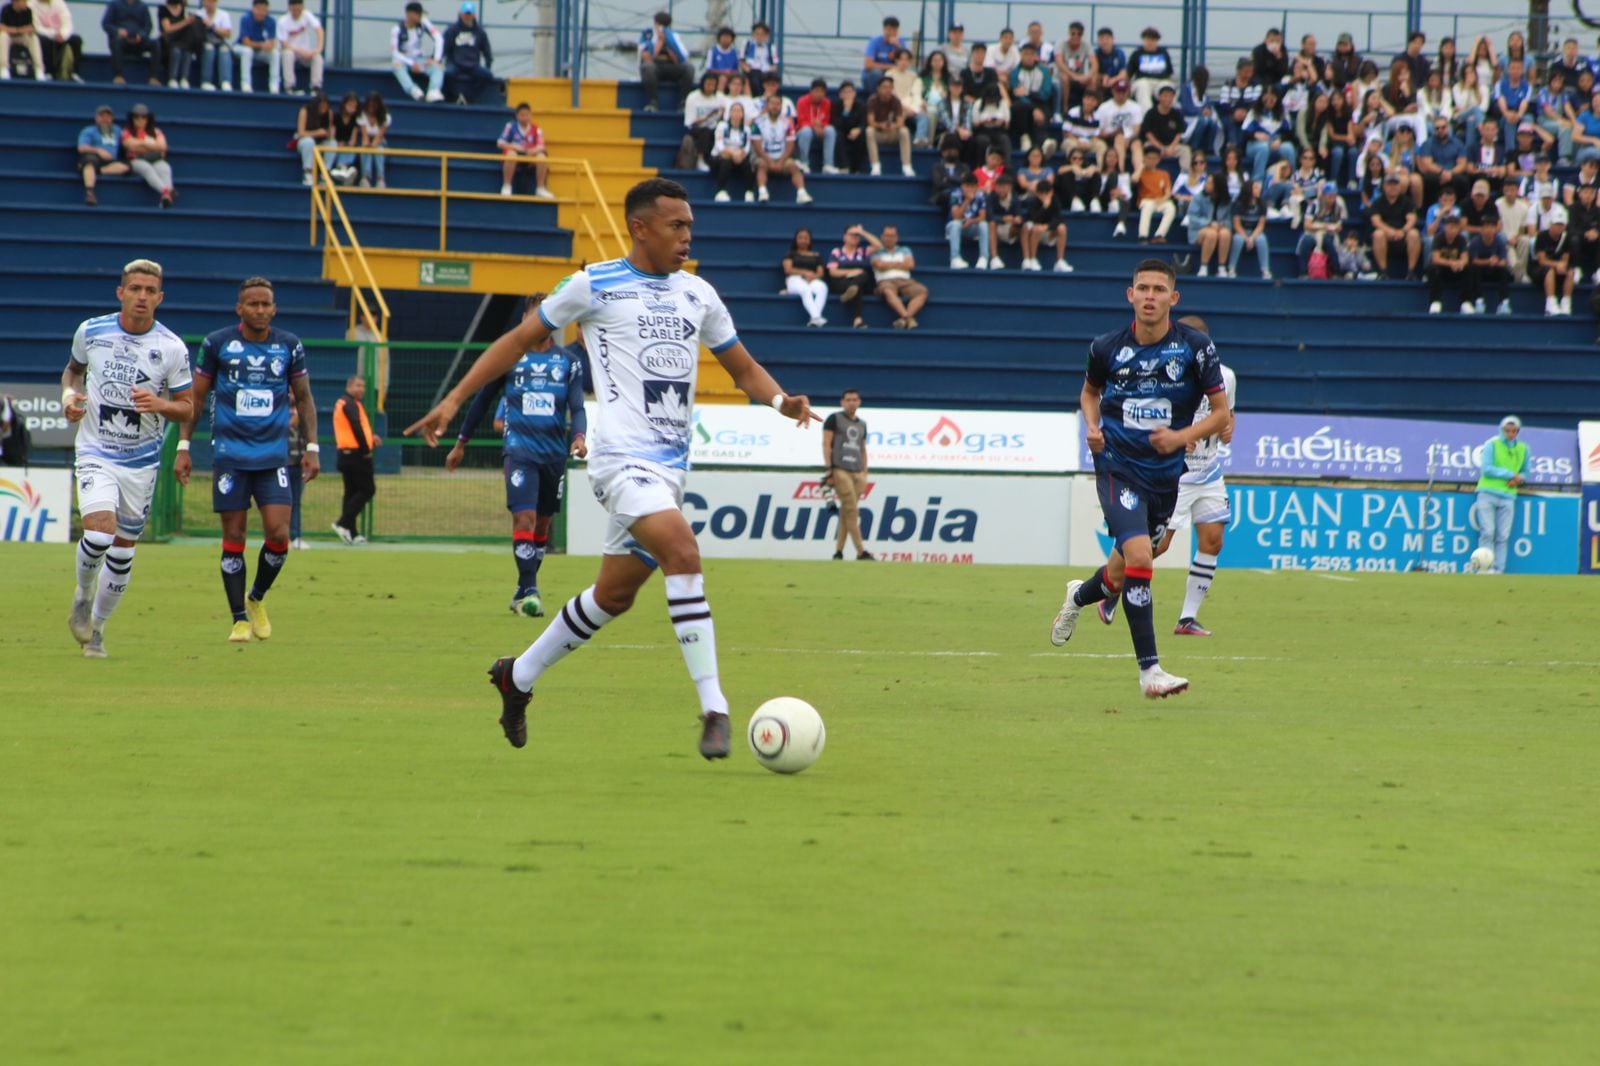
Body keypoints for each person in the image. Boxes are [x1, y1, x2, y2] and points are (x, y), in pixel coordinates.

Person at [403, 177, 822, 760]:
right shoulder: (593, 285)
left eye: (691, 227)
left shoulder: (698, 294)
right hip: (620, 461)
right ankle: (715, 708)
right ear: (640, 227)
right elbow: (519, 340)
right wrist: (452, 400)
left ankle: (517, 675)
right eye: (677, 226)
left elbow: (742, 368)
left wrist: (782, 401)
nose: (687, 237)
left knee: (613, 596)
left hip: (671, 469)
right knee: (684, 553)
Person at [1049, 260, 1228, 698]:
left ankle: (1077, 597)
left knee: (1118, 574)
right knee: (1141, 561)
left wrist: (1181, 436)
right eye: (1142, 288)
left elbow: (1223, 415)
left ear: (1173, 298)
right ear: (1130, 295)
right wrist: (1091, 428)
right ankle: (1151, 672)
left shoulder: (1195, 347)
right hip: (1117, 466)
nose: (1150, 295)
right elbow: (1090, 393)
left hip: (1166, 478)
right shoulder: (1106, 347)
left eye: (1158, 289)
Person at [173, 277, 319, 643]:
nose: (260, 309)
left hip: (273, 457)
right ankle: (238, 618)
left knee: (279, 533)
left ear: (274, 308)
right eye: (252, 304)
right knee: (234, 534)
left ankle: (256, 598)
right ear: (240, 308)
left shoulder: (289, 346)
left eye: (265, 304)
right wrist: (184, 446)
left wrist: (313, 448)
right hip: (230, 457)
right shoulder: (218, 343)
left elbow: (303, 397)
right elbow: (196, 397)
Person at [62, 258, 195, 659]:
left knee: (122, 552)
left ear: (160, 297)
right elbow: (72, 373)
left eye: (149, 291)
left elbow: (188, 407)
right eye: (134, 289)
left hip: (141, 462)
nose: (141, 297)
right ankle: (83, 595)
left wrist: (159, 404)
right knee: (100, 535)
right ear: (121, 292)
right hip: (96, 450)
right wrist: (70, 399)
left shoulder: (171, 347)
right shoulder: (92, 330)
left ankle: (98, 630)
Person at [445, 293, 586, 617]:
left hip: (554, 454)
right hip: (519, 451)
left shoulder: (569, 362)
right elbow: (481, 402)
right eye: (533, 317)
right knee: (524, 517)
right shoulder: (508, 358)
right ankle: (531, 591)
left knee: (543, 526)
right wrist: (461, 442)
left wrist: (578, 436)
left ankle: (522, 589)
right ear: (524, 321)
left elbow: (576, 406)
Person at [1099, 313, 1236, 635]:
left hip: (1210, 470)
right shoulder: (1167, 375)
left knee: (1213, 541)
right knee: (1155, 547)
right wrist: (1178, 438)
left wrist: (1229, 428)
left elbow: (1227, 413)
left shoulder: (1225, 377)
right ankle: (1111, 588)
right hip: (1175, 473)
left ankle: (1187, 618)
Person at [1472, 415, 1528, 574]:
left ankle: (1498, 569)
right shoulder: (1492, 445)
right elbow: (1487, 468)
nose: (1511, 434)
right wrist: (1510, 475)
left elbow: (1525, 472)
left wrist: (1518, 479)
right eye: (1508, 430)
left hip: (1509, 495)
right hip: (1488, 492)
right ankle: (1484, 567)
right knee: (1488, 531)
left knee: (1503, 535)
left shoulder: (1523, 448)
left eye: (1514, 431)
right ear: (1502, 430)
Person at [823, 389, 871, 560]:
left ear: (859, 402)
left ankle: (839, 552)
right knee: (851, 510)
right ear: (842, 402)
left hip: (858, 471)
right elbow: (826, 444)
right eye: (848, 399)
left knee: (846, 511)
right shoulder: (834, 419)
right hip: (840, 468)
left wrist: (865, 471)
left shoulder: (862, 424)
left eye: (855, 399)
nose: (851, 402)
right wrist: (829, 469)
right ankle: (861, 551)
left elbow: (863, 448)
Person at [331, 374, 378, 543]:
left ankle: (352, 532)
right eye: (358, 385)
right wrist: (366, 450)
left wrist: (371, 438)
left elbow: (358, 428)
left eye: (363, 386)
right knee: (368, 489)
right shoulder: (349, 404)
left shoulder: (350, 403)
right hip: (356, 455)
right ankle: (342, 523)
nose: (361, 389)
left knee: (351, 492)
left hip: (346, 454)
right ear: (349, 386)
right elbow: (356, 427)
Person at [753, 93, 812, 203]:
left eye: (778, 104)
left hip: (782, 157)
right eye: (772, 104)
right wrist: (769, 160)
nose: (775, 106)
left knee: (793, 166)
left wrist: (781, 161)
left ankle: (802, 193)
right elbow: (757, 145)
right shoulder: (758, 122)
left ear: (781, 106)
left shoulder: (787, 123)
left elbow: (790, 144)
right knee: (761, 164)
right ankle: (762, 192)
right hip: (765, 157)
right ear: (767, 105)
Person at [869, 224, 926, 329]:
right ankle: (908, 318)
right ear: (881, 237)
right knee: (888, 292)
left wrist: (888, 264)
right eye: (887, 236)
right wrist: (900, 264)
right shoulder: (875, 251)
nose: (889, 238)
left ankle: (904, 319)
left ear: (897, 237)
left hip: (905, 280)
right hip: (885, 281)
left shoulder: (905, 249)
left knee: (922, 291)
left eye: (892, 236)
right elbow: (879, 266)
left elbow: (910, 265)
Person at [122, 103, 176, 208]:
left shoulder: (156, 131)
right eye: (136, 117)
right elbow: (130, 146)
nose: (140, 120)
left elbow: (163, 146)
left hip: (154, 158)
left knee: (164, 168)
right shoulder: (127, 131)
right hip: (136, 160)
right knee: (146, 168)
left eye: (143, 117)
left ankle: (166, 196)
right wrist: (150, 145)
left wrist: (142, 144)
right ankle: (166, 192)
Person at [1369, 173, 1421, 277]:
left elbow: (1412, 219)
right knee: (1378, 234)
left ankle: (1411, 272)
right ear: (1384, 186)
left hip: (1403, 236)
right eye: (1390, 184)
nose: (1393, 187)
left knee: (1414, 234)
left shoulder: (1407, 201)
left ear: (1399, 186)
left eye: (1395, 184)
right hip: (1386, 236)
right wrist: (1389, 231)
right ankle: (1383, 272)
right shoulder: (1378, 202)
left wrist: (1403, 231)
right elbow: (1376, 221)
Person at [76, 103, 129, 206]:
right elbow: (81, 148)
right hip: (94, 157)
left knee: (126, 166)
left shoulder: (117, 130)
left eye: (108, 117)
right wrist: (99, 151)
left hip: (111, 161)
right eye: (102, 116)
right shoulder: (89, 131)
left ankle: (99, 171)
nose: (105, 119)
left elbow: (126, 142)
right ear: (96, 118)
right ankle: (90, 192)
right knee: (89, 163)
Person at [637, 10, 689, 112]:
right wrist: (660, 42)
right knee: (648, 68)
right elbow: (648, 58)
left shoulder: (674, 38)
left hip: (670, 67)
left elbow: (679, 60)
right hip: (654, 68)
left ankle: (683, 102)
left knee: (689, 69)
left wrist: (670, 46)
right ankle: (652, 102)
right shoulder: (648, 36)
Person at [391, 1, 443, 101]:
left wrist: (435, 59)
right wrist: (411, 63)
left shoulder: (423, 23)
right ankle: (413, 90)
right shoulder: (397, 29)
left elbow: (439, 38)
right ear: (409, 14)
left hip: (419, 59)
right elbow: (395, 52)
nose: (420, 16)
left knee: (439, 67)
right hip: (404, 60)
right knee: (396, 65)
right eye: (418, 14)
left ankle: (433, 91)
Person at [496, 102, 550, 198]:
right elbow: (500, 143)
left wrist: (533, 150)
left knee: (542, 156)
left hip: (530, 155)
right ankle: (507, 185)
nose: (525, 117)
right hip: (515, 154)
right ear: (517, 116)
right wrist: (514, 147)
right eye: (522, 115)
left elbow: (541, 146)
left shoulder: (536, 129)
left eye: (527, 115)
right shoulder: (510, 126)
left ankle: (540, 188)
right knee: (511, 154)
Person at [825, 224, 874, 329]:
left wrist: (862, 232)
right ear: (844, 237)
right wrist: (852, 272)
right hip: (842, 283)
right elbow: (833, 272)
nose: (854, 237)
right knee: (857, 285)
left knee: (863, 276)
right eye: (851, 234)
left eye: (857, 235)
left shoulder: (863, 251)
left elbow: (879, 246)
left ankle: (852, 290)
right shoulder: (837, 251)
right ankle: (858, 319)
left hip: (861, 282)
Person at [442, 1, 491, 103]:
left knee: (487, 76)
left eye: (470, 14)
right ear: (460, 14)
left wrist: (488, 65)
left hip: (473, 65)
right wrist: (438, 62)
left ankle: (470, 98)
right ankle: (452, 97)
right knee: (446, 74)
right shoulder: (452, 30)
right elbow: (443, 48)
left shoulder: (480, 32)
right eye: (465, 13)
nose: (467, 16)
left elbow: (487, 51)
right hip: (455, 64)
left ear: (474, 15)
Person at [102, 0, 162, 85]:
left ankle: (154, 78)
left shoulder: (143, 6)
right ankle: (118, 76)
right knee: (117, 42)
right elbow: (106, 24)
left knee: (155, 43)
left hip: (138, 42)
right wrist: (118, 31)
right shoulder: (114, 4)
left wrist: (141, 35)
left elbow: (148, 26)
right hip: (122, 41)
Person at [866, 75, 914, 177]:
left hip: (892, 133)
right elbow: (871, 121)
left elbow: (900, 122)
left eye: (890, 87)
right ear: (878, 88)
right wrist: (881, 125)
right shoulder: (872, 101)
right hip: (879, 133)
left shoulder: (895, 101)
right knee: (869, 131)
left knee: (904, 131)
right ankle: (875, 166)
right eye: (884, 87)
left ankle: (907, 166)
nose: (888, 90)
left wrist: (893, 126)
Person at [1022, 178, 1072, 272]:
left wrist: (1047, 226)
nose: (1044, 196)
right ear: (1037, 193)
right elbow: (1033, 218)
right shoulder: (1033, 202)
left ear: (1051, 192)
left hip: (1049, 231)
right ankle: (1033, 259)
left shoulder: (1055, 201)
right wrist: (1044, 207)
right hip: (1035, 232)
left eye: (1046, 193)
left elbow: (1059, 218)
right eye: (1041, 194)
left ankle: (1060, 261)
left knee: (1062, 228)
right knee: (1036, 228)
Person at [1426, 213, 1473, 313]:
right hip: (1442, 270)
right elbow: (1436, 258)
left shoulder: (1461, 239)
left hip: (1456, 270)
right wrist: (1451, 263)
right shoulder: (1439, 238)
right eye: (1451, 227)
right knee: (1432, 268)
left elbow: (1465, 258)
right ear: (1445, 227)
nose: (1453, 231)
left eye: (1456, 228)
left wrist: (1460, 263)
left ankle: (1466, 302)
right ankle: (1436, 301)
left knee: (1469, 269)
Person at [1533, 204, 1575, 315]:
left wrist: (1563, 265)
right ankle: (1550, 302)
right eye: (1557, 224)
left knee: (1570, 271)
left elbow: (1565, 259)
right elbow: (1542, 261)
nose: (1559, 227)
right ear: (1551, 224)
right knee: (1549, 270)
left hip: (1557, 268)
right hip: (1538, 269)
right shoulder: (1542, 236)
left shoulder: (1566, 238)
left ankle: (1566, 302)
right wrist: (1557, 265)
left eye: (1561, 225)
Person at [782, 227, 828, 327]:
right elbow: (788, 269)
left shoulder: (816, 255)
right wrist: (804, 273)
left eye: (806, 238)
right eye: (800, 237)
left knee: (822, 288)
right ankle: (817, 317)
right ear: (796, 239)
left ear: (810, 240)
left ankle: (814, 319)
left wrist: (812, 276)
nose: (803, 240)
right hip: (795, 279)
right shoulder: (790, 254)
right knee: (805, 289)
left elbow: (820, 272)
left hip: (812, 279)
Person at [1468, 216, 1513, 314]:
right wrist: (1488, 261)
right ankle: (1479, 301)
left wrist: (1497, 262)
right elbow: (1474, 261)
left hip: (1494, 271)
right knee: (1474, 269)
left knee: (1504, 271)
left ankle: (1504, 302)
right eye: (1486, 227)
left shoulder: (1500, 241)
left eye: (1492, 227)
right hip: (1481, 272)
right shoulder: (1475, 241)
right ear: (1482, 229)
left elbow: (1504, 261)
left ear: (1495, 229)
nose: (1489, 230)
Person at [710, 101, 753, 202]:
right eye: (734, 111)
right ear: (730, 113)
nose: (736, 113)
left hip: (738, 158)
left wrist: (740, 155)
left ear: (742, 114)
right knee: (726, 160)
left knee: (748, 164)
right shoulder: (722, 126)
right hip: (719, 158)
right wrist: (733, 153)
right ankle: (721, 191)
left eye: (739, 111)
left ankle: (749, 192)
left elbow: (747, 147)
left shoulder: (746, 129)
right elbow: (719, 145)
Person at [947, 172, 991, 268]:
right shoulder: (955, 194)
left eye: (972, 186)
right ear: (962, 186)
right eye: (967, 186)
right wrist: (967, 200)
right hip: (956, 226)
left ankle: (983, 258)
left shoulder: (980, 196)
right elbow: (956, 216)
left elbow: (982, 216)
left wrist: (971, 221)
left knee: (983, 225)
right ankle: (955, 258)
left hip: (972, 226)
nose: (970, 189)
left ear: (976, 187)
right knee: (955, 224)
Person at [277, 0, 322, 94]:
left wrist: (318, 48)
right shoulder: (283, 21)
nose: (297, 12)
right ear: (290, 8)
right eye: (294, 9)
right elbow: (284, 44)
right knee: (288, 54)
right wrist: (300, 51)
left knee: (317, 58)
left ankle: (316, 87)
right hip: (291, 51)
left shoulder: (307, 15)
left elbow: (319, 30)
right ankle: (290, 86)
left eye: (299, 9)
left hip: (305, 54)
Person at [795, 77, 837, 173]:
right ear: (811, 91)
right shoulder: (802, 101)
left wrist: (821, 126)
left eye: (822, 91)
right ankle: (804, 162)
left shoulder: (827, 102)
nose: (819, 94)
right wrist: (814, 126)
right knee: (806, 131)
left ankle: (828, 164)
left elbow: (826, 120)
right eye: (816, 91)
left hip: (819, 131)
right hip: (803, 131)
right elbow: (801, 122)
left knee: (830, 130)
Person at [1128, 26, 1175, 110]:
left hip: (1160, 81)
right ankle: (1147, 114)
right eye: (1147, 40)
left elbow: (1169, 73)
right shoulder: (1137, 54)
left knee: (1167, 86)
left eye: (1153, 40)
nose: (1150, 42)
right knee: (1143, 86)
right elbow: (1129, 74)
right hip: (1143, 81)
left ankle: (1167, 113)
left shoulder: (1163, 53)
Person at [156, 0, 201, 89]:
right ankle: (172, 78)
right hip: (168, 41)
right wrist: (185, 22)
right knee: (176, 51)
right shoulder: (163, 9)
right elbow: (167, 29)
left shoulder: (183, 9)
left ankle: (184, 78)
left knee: (187, 51)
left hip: (182, 39)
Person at [233, 0, 276, 92]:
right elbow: (246, 42)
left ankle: (274, 86)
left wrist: (267, 46)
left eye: (265, 10)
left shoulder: (271, 21)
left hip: (258, 51)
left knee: (275, 54)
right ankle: (246, 84)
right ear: (253, 9)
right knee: (247, 51)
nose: (262, 13)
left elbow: (272, 43)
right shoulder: (246, 18)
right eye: (260, 10)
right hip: (240, 47)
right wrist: (262, 45)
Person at [2, 0, 48, 80]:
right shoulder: (6, 9)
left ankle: (39, 69)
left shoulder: (28, 11)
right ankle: (3, 68)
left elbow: (30, 28)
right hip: (9, 37)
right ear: (16, 2)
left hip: (22, 37)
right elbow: (2, 28)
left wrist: (16, 30)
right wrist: (18, 30)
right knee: (3, 36)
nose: (26, 3)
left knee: (34, 38)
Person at [32, 0, 78, 80]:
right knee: (43, 41)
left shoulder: (59, 3)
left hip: (60, 34)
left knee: (76, 40)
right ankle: (48, 72)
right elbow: (36, 26)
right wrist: (53, 34)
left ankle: (73, 72)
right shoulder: (31, 5)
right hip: (44, 34)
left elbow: (67, 23)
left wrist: (63, 34)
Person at [293, 90, 331, 186]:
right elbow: (301, 132)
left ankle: (325, 174)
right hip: (304, 141)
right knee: (308, 142)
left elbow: (329, 133)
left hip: (320, 142)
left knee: (332, 143)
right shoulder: (305, 110)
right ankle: (308, 172)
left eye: (326, 106)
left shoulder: (329, 113)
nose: (324, 109)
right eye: (322, 106)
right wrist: (317, 133)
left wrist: (327, 133)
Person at [327, 90, 362, 185]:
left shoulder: (355, 120)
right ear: (344, 104)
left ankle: (343, 169)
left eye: (354, 107)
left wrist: (347, 144)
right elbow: (332, 136)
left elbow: (353, 140)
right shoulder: (336, 117)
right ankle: (343, 171)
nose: (352, 109)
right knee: (333, 145)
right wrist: (338, 144)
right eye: (350, 105)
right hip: (337, 145)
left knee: (351, 149)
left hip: (347, 147)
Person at [832, 79, 867, 173]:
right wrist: (846, 111)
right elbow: (836, 124)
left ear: (854, 93)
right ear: (840, 94)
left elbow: (863, 122)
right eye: (845, 92)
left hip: (855, 132)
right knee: (837, 136)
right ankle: (844, 166)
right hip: (842, 132)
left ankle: (856, 169)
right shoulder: (836, 106)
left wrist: (858, 129)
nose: (848, 94)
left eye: (850, 92)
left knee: (862, 136)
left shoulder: (861, 106)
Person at [197, 0, 231, 90]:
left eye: (212, 2)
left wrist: (213, 26)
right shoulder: (199, 14)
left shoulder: (224, 15)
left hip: (219, 42)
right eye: (207, 1)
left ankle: (225, 81)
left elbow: (228, 34)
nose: (209, 4)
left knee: (224, 50)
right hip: (203, 43)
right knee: (209, 48)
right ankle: (206, 81)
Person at [286, 402, 307, 548]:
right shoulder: (277, 409)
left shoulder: (305, 411)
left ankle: (296, 537)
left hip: (298, 462)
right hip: (281, 462)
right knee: (278, 502)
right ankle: (274, 535)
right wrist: (290, 423)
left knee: (296, 502)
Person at [860, 15, 899, 94]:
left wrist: (898, 47)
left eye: (894, 30)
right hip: (872, 75)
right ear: (884, 29)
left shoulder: (900, 42)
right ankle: (876, 98)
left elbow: (905, 62)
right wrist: (891, 67)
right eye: (889, 30)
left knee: (912, 71)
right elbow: (868, 64)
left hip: (892, 73)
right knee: (876, 73)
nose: (891, 33)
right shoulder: (875, 41)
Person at [358, 90, 389, 188]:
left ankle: (381, 178)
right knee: (365, 149)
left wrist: (374, 145)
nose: (371, 108)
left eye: (374, 105)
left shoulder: (385, 117)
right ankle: (365, 177)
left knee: (379, 149)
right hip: (367, 140)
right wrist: (368, 145)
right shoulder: (362, 115)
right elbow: (364, 136)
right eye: (369, 105)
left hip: (380, 141)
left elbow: (380, 135)